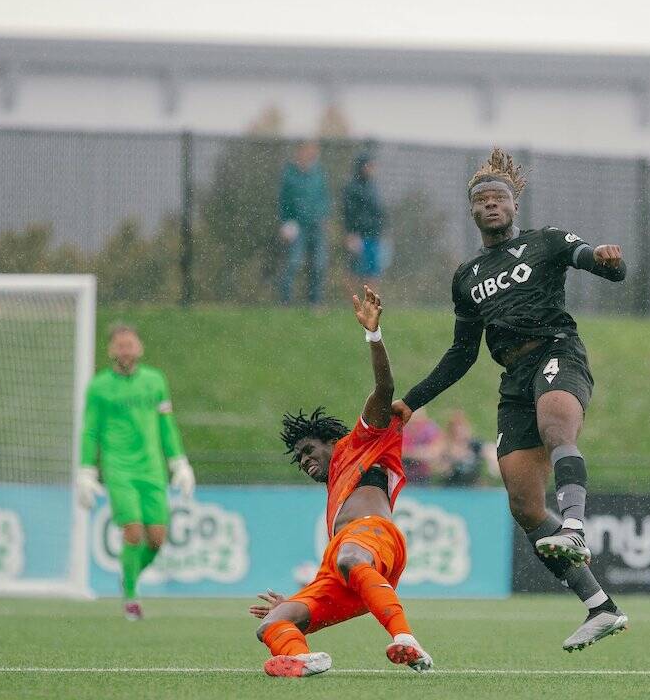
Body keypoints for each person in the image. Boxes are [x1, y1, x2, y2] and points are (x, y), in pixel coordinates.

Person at [391, 147, 629, 652]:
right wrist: (411, 402)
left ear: (515, 205)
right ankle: (600, 607)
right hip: (513, 378)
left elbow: (593, 260)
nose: (492, 205)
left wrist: (608, 261)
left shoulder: (546, 242)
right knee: (522, 503)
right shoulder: (467, 277)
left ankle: (575, 526)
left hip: (557, 351)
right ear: (473, 211)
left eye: (500, 197)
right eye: (483, 200)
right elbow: (461, 354)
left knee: (557, 428)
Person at [249, 286, 432, 678]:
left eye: (309, 450)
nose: (305, 461)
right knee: (274, 621)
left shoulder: (360, 442)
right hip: (343, 566)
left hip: (373, 540)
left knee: (349, 555)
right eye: (299, 459)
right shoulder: (335, 490)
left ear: (331, 441)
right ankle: (300, 659)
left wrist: (374, 335)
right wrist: (295, 600)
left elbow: (385, 390)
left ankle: (406, 639)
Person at [76, 324, 196, 620]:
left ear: (139, 348)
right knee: (132, 531)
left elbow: (167, 425)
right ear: (110, 350)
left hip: (152, 468)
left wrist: (178, 462)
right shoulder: (99, 386)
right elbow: (90, 431)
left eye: (130, 345)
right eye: (120, 345)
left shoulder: (155, 382)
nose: (125, 350)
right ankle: (131, 596)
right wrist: (86, 470)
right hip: (119, 468)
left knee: (156, 538)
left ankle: (128, 577)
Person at [277, 141, 330, 308]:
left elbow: (324, 198)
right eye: (308, 150)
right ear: (300, 151)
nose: (311, 154)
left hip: (316, 226)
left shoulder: (319, 174)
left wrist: (324, 217)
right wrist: (285, 223)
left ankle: (315, 302)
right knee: (294, 263)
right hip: (297, 226)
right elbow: (283, 201)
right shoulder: (289, 174)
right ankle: (285, 301)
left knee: (319, 265)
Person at [342, 151, 388, 291]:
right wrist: (351, 234)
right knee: (354, 271)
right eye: (369, 165)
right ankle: (354, 304)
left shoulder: (373, 187)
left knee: (373, 272)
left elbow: (379, 211)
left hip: (374, 235)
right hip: (358, 236)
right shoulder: (351, 187)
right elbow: (348, 213)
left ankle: (370, 305)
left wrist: (383, 230)